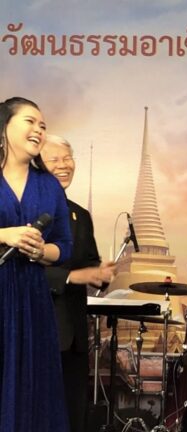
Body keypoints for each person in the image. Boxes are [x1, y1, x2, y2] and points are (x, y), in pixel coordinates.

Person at [0, 97, 72, 431]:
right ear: (5, 126)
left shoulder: (49, 185)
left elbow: (65, 247)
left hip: (33, 299)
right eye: (30, 121)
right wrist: (6, 235)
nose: (38, 130)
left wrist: (41, 251)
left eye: (43, 125)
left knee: (35, 388)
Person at [41, 135, 116, 432]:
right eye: (54, 160)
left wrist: (101, 273)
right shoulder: (23, 209)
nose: (63, 165)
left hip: (74, 339)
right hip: (37, 330)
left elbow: (89, 266)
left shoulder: (80, 215)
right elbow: (18, 270)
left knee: (72, 417)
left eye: (67, 158)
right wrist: (72, 276)